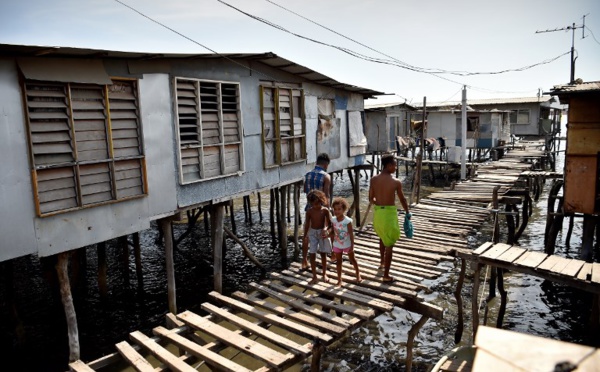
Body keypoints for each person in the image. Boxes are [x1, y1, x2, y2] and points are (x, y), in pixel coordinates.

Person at [368, 153, 410, 283]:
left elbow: (371, 198)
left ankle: (382, 263)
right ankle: (386, 275)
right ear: (389, 165)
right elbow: (402, 199)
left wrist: (378, 203)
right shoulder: (395, 182)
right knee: (390, 244)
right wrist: (407, 211)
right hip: (389, 215)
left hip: (378, 214)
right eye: (395, 165)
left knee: (382, 237)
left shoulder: (374, 179)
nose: (396, 168)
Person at [302, 189, 333, 284]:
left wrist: (326, 229)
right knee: (312, 254)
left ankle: (324, 274)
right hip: (312, 233)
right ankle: (314, 276)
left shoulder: (325, 211)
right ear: (310, 203)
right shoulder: (309, 212)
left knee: (323, 254)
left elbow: (330, 224)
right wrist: (305, 235)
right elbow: (307, 224)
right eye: (313, 204)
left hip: (322, 233)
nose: (316, 206)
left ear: (321, 201)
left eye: (318, 204)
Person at [330, 197, 362, 287]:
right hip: (337, 244)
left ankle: (358, 274)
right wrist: (331, 241)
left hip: (347, 244)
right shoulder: (333, 220)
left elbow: (351, 234)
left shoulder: (347, 221)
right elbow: (333, 232)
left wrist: (352, 245)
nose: (337, 211)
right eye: (335, 209)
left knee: (352, 259)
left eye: (339, 209)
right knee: (339, 262)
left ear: (344, 209)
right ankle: (339, 279)